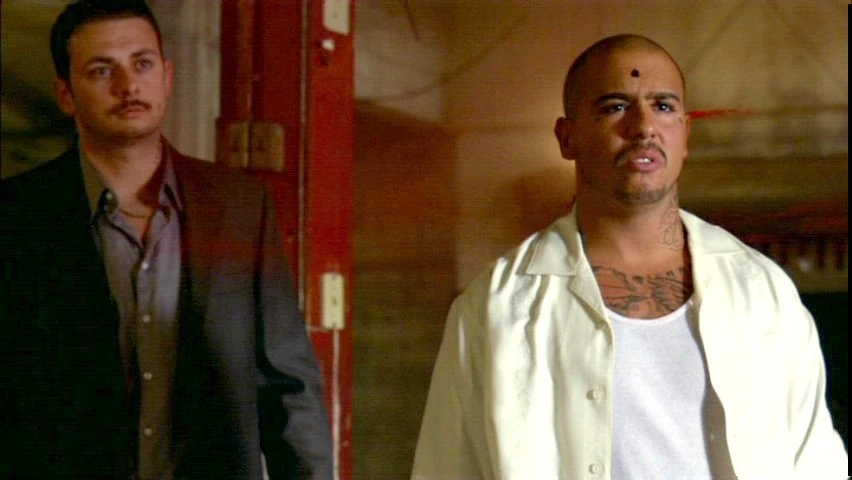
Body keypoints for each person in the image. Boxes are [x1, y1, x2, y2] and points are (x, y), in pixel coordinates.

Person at [412, 34, 848, 479]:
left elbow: (818, 464)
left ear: (685, 134)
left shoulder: (762, 292)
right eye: (615, 106)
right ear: (567, 137)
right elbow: (447, 469)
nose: (643, 127)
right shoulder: (497, 307)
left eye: (663, 106)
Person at [0, 1, 332, 478]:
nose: (128, 85)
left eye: (143, 63)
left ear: (167, 75)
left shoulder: (240, 207)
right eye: (101, 71)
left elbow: (288, 384)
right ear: (66, 95)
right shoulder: (17, 216)